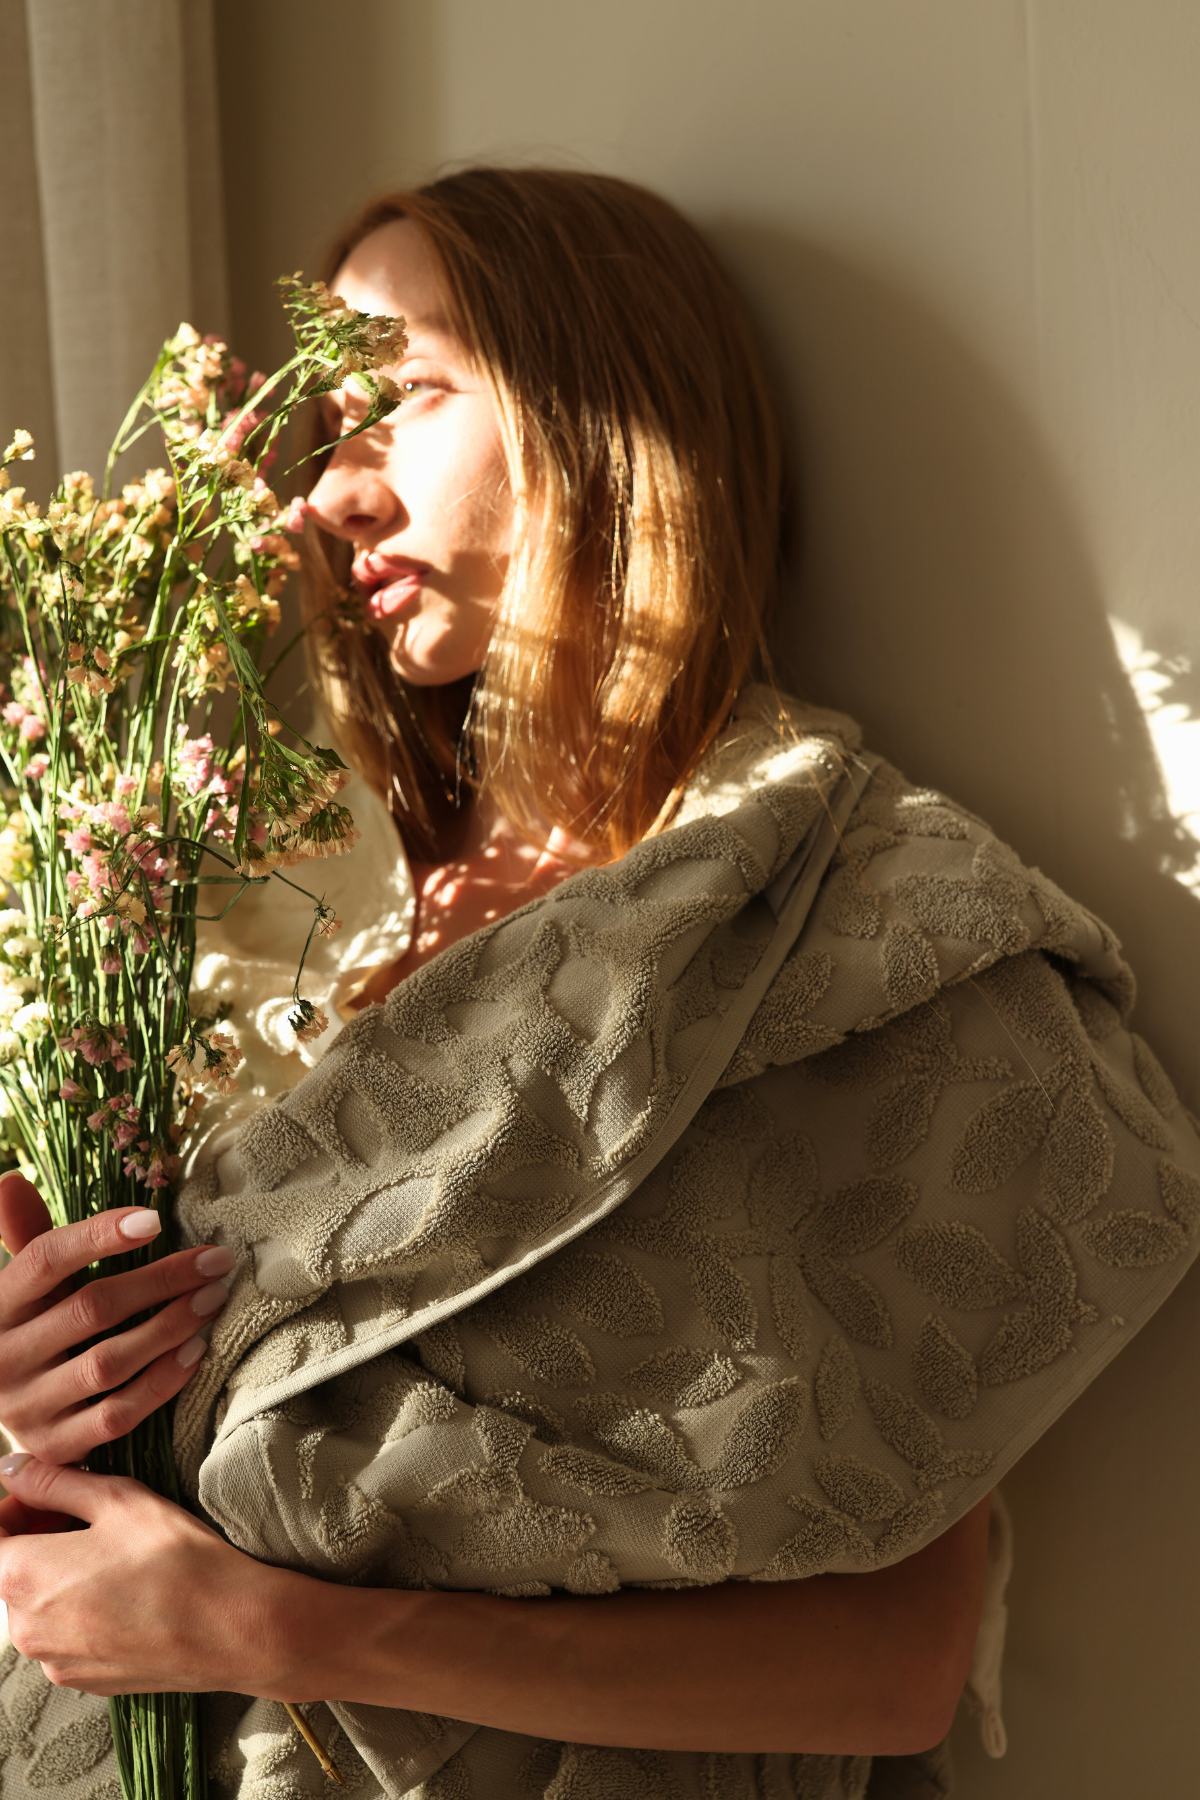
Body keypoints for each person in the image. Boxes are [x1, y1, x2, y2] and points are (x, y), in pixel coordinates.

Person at [0, 168, 1192, 1800]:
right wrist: (47, 1400)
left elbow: (892, 1670)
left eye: (406, 397)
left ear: (603, 416)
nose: (329, 493)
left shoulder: (835, 931)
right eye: (323, 432)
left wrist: (274, 1632)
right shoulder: (254, 933)